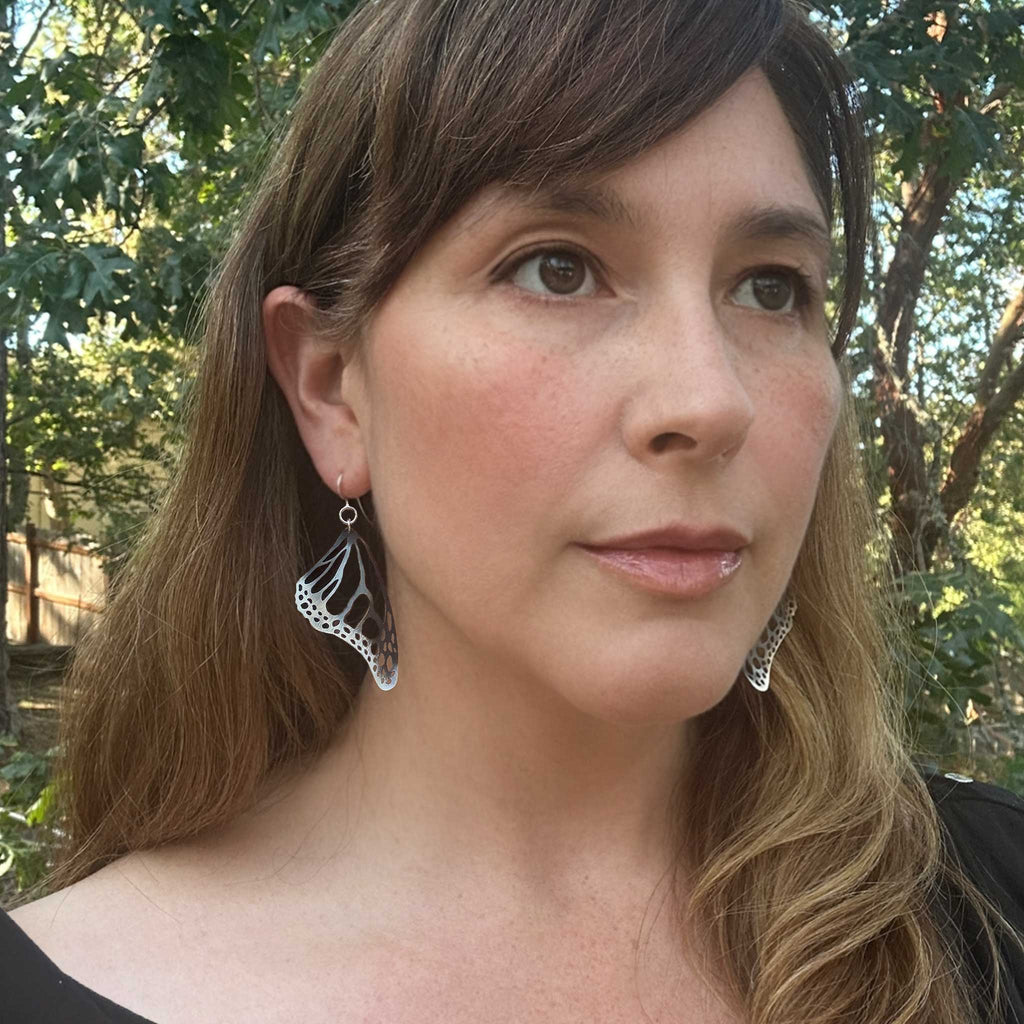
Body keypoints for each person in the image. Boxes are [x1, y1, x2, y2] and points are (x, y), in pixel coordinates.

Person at [2, 0, 1023, 1021]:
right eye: (558, 269)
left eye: (768, 288)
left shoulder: (989, 912)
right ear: (329, 388)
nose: (709, 402)